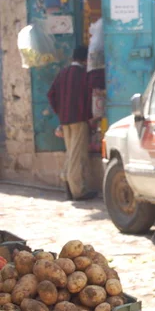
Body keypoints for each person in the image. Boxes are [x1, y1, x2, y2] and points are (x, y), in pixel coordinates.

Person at [47, 46, 97, 200]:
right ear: (84, 59)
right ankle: (78, 191)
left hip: (65, 120)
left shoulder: (62, 73)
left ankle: (68, 185)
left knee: (71, 153)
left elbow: (51, 94)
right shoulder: (83, 75)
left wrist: (60, 112)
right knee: (77, 155)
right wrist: (90, 116)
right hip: (79, 120)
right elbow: (89, 97)